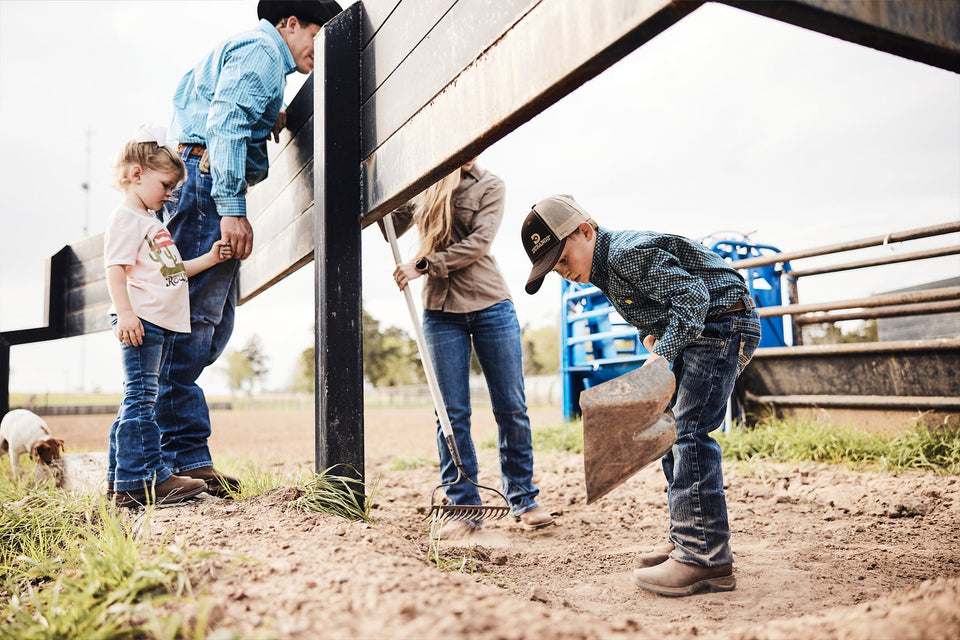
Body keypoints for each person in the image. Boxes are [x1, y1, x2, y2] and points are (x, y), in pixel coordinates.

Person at [521, 195, 762, 596]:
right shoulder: (603, 270)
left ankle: (704, 557)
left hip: (722, 324)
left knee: (688, 432)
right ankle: (686, 534)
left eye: (562, 259)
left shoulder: (627, 253)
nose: (562, 272)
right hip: (702, 332)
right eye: (553, 269)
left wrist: (662, 353)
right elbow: (658, 304)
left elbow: (694, 298)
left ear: (585, 230)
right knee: (668, 433)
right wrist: (652, 336)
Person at [160, 0, 341, 496]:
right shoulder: (263, 52)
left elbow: (220, 106)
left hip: (199, 180)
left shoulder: (257, 58)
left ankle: (186, 457)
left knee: (210, 326)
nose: (319, 49)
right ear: (290, 23)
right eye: (317, 34)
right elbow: (225, 123)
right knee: (191, 324)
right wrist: (231, 208)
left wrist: (270, 114)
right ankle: (169, 462)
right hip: (207, 185)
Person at [389, 159, 554, 537]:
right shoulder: (424, 181)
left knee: (511, 407)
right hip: (440, 313)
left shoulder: (491, 184)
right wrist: (394, 189)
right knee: (451, 413)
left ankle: (523, 498)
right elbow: (392, 228)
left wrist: (424, 264)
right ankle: (464, 506)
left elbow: (479, 243)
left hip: (491, 305)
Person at [105, 128, 234, 508]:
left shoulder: (149, 221)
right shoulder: (127, 218)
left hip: (154, 322)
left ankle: (120, 478)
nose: (170, 194)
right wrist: (126, 313)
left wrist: (211, 258)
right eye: (166, 184)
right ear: (136, 174)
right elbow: (115, 268)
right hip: (141, 320)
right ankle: (148, 478)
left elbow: (171, 271)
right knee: (142, 399)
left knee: (137, 399)